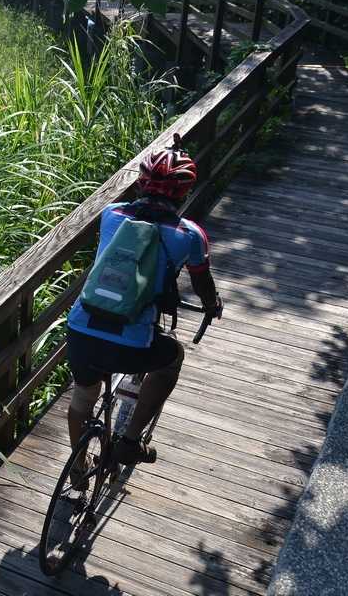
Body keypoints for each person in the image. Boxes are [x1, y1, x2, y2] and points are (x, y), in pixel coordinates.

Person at [64, 143, 223, 471]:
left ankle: (78, 469)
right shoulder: (190, 235)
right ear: (184, 192)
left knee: (83, 397)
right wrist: (212, 304)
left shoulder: (112, 215)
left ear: (140, 183)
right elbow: (201, 281)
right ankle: (130, 442)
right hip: (131, 343)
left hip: (81, 327)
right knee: (171, 358)